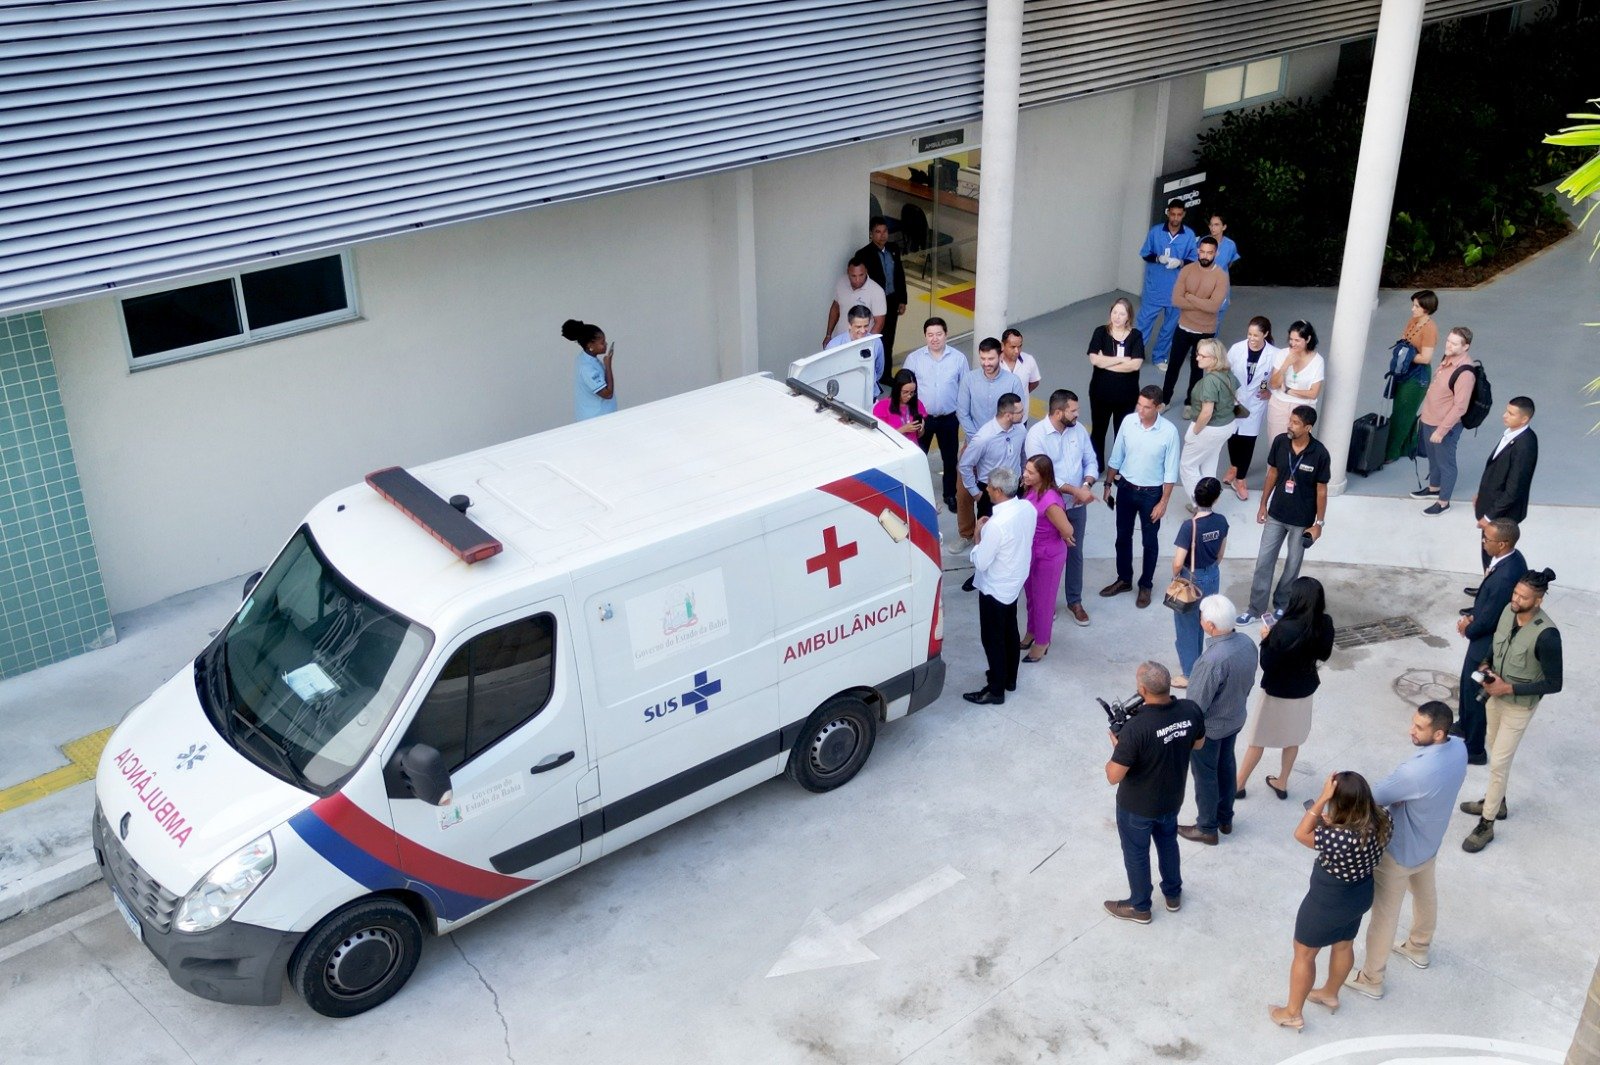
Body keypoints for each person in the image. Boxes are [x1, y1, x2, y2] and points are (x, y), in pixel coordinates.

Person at [1344, 701, 1468, 1001]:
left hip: (1398, 853)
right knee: (1426, 895)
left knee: (1384, 917)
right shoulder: (1460, 749)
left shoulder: (1415, 771)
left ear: (1439, 733)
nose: (1411, 730)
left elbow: (1372, 798)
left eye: (1419, 728)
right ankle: (1419, 947)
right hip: (1430, 842)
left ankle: (1372, 978)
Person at [1269, 771, 1392, 1031]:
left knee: (1304, 954)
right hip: (1360, 895)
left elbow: (1301, 834)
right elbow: (1353, 833)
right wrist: (1334, 823)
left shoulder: (1337, 838)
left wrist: (1322, 799)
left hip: (1328, 901)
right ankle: (1329, 993)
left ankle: (1292, 1012)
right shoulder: (1383, 819)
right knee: (1344, 944)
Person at [1460, 567, 1563, 853]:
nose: (1516, 599)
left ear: (1538, 600)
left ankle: (1487, 823)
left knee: (1499, 764)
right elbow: (1497, 644)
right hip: (1495, 697)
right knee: (1493, 750)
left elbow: (1555, 683)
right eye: (1515, 593)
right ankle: (1499, 802)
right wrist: (1485, 664)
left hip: (1518, 706)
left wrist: (1509, 689)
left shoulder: (1548, 635)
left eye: (1523, 596)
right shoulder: (1508, 610)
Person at [1104, 661, 1205, 923]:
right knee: (1168, 844)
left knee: (1137, 854)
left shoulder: (1136, 729)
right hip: (1172, 799)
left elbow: (1113, 776)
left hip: (1136, 807)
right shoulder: (1190, 709)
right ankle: (1173, 895)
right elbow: (1199, 743)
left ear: (1141, 690)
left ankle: (1140, 907)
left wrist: (1119, 746)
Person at [1236, 576, 1335, 802]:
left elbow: (1267, 664)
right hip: (1305, 690)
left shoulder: (1283, 628)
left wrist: (1266, 639)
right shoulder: (1325, 622)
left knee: (1257, 740)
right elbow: (1324, 654)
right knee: (1293, 739)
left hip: (1277, 692)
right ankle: (1282, 782)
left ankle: (1238, 785)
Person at [1178, 594, 1258, 845]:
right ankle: (1225, 818)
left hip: (1209, 730)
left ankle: (1207, 827)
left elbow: (1195, 706)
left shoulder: (1211, 661)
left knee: (1205, 775)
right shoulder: (1247, 642)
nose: (1199, 619)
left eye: (1201, 616)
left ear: (1210, 626)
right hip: (1234, 719)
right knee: (1226, 765)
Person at [1240, 405, 1328, 626]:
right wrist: (1263, 504)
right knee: (1264, 561)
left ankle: (1282, 604)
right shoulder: (1280, 442)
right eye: (1290, 420)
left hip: (1302, 520)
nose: (1290, 425)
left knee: (1292, 564)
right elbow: (1273, 473)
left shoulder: (1319, 454)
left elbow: (1321, 490)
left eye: (1296, 423)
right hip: (1276, 514)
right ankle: (1255, 607)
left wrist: (1318, 524)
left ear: (1308, 428)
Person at [1100, 386, 1180, 609]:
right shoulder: (1128, 422)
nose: (1141, 410)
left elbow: (1171, 470)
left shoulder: (1169, 431)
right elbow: (1117, 455)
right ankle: (1124, 579)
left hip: (1152, 494)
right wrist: (1108, 484)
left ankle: (1146, 584)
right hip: (1125, 488)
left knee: (1149, 541)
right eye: (1139, 405)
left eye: (1146, 407)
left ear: (1158, 408)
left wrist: (1163, 502)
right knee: (1122, 537)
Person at [1025, 389, 1098, 627]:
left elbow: (1091, 460)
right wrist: (1075, 491)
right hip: (1050, 507)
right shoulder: (1036, 436)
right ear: (1059, 412)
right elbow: (1044, 478)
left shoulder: (1078, 430)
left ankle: (1074, 601)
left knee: (1075, 554)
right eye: (1073, 410)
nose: (1078, 414)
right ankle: (1046, 603)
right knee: (1044, 556)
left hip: (1076, 505)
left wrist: (1085, 485)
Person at [963, 467, 1035, 706]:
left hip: (995, 586)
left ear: (999, 491)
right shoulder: (1027, 508)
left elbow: (981, 561)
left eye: (990, 487)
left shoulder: (996, 525)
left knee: (993, 639)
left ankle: (995, 688)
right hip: (1014, 581)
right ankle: (1009, 678)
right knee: (1010, 630)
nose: (987, 489)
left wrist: (977, 535)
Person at [1455, 519, 1525, 765]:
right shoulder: (1511, 560)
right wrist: (1473, 615)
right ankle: (1463, 726)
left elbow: (1491, 618)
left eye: (1488, 539)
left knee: (1475, 692)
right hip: (1484, 636)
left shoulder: (1506, 576)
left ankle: (1474, 749)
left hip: (1486, 645)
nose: (1483, 542)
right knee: (1465, 684)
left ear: (1503, 544)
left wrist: (1468, 626)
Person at [951, 339, 1025, 552]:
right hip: (975, 441)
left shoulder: (1012, 381)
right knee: (964, 492)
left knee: (1002, 490)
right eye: (982, 358)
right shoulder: (969, 379)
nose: (986, 363)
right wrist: (979, 439)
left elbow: (1020, 412)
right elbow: (962, 412)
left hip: (1004, 442)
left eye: (990, 358)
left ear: (1000, 355)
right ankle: (966, 534)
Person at [956, 392, 1027, 589]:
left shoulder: (1020, 430)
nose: (1024, 414)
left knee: (1013, 530)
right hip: (991, 492)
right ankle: (980, 574)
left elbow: (1022, 455)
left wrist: (1024, 479)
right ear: (1008, 415)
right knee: (987, 533)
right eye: (1019, 411)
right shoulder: (983, 438)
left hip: (1014, 488)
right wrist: (975, 493)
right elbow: (965, 465)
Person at [1410, 326, 1476, 515]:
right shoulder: (1447, 359)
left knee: (1446, 463)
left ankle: (1443, 502)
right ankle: (1434, 488)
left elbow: (1460, 407)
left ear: (1466, 347)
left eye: (1455, 343)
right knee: (1433, 457)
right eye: (1448, 341)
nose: (1449, 345)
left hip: (1444, 425)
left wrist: (1442, 430)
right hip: (1429, 419)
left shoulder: (1465, 373)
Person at [904, 318, 968, 511]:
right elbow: (905, 390)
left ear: (946, 334)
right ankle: (918, 493)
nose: (934, 339)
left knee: (950, 459)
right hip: (922, 419)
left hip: (949, 418)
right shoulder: (914, 359)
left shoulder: (958, 359)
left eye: (938, 334)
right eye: (930, 335)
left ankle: (950, 494)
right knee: (918, 456)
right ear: (925, 336)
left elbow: (965, 388)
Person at [1169, 479, 1228, 685]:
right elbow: (1220, 553)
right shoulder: (1221, 521)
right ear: (1217, 498)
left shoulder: (1189, 526)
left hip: (1191, 578)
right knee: (1207, 622)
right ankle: (1205, 663)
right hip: (1212, 574)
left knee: (1187, 627)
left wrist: (1176, 576)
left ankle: (1189, 673)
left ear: (1194, 497)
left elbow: (1178, 562)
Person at [1019, 454, 1076, 662]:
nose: (1025, 474)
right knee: (1032, 596)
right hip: (1031, 552)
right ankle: (1032, 632)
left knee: (1044, 600)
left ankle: (1042, 642)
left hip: (1047, 556)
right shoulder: (1031, 490)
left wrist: (1063, 535)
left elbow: (1068, 528)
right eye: (1025, 469)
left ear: (1042, 475)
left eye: (1030, 472)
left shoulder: (1050, 500)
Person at [1161, 235, 1230, 406]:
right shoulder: (1187, 270)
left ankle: (1190, 403)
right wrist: (1203, 303)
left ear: (1216, 253)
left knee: (1197, 370)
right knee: (1173, 367)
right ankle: (1165, 400)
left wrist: (1190, 297)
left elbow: (1214, 307)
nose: (1205, 256)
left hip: (1206, 332)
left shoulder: (1221, 277)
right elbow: (1176, 300)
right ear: (1198, 251)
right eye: (1203, 252)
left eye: (1209, 253)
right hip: (1183, 327)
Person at [1472, 397, 1538, 567]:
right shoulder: (1511, 434)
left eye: (1510, 413)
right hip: (1493, 504)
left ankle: (1494, 587)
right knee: (1488, 550)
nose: (1504, 416)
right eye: (1506, 411)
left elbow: (1514, 489)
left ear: (1524, 419)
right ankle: (1488, 583)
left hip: (1502, 514)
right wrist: (1482, 495)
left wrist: (1489, 516)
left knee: (1497, 553)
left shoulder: (1525, 445)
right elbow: (1496, 470)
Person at [1135, 200, 1198, 369]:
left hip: (1177, 290)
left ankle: (1160, 356)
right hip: (1154, 288)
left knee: (1169, 327)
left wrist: (1180, 262)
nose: (1175, 218)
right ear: (1167, 213)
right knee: (1143, 324)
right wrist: (1157, 258)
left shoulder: (1189, 235)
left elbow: (1194, 259)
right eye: (1172, 214)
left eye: (1179, 214)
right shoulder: (1156, 232)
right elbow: (1145, 254)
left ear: (1183, 214)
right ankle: (1135, 355)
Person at [1086, 297, 1146, 469]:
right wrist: (1121, 360)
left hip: (1126, 395)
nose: (1117, 317)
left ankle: (1119, 467)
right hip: (1100, 393)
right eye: (1114, 312)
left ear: (1128, 317)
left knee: (1122, 432)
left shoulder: (1136, 336)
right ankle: (1096, 466)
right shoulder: (1100, 332)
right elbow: (1094, 360)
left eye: (1122, 313)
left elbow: (1135, 364)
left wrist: (1106, 361)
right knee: (1098, 431)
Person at [1224, 316, 1279, 500]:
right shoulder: (1237, 349)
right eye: (1249, 334)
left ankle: (1240, 479)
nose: (1252, 338)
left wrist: (1267, 391)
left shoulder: (1274, 354)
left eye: (1256, 335)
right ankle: (1233, 466)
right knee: (1232, 434)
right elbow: (1226, 370)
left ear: (1266, 334)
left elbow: (1271, 377)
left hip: (1255, 402)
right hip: (1235, 398)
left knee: (1248, 440)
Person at [1178, 339, 1239, 502]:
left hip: (1209, 428)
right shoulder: (1228, 375)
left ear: (1214, 359)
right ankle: (1211, 497)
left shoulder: (1209, 382)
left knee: (1187, 465)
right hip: (1227, 426)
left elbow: (1206, 413)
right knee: (1209, 463)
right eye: (1197, 353)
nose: (1197, 357)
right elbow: (1235, 398)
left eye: (1201, 355)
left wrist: (1194, 432)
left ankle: (1200, 502)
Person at [1383, 291, 1439, 465]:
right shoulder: (1413, 321)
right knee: (1402, 410)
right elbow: (1403, 340)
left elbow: (1426, 358)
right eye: (1413, 305)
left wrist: (1406, 355)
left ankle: (1391, 452)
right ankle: (1408, 446)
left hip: (1417, 377)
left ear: (1426, 308)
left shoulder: (1430, 329)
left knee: (1402, 414)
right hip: (1405, 372)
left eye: (1416, 306)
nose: (1412, 309)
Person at [856, 217, 907, 381]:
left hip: (891, 300)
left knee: (889, 339)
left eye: (885, 231)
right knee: (872, 338)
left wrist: (902, 299)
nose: (882, 235)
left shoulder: (893, 249)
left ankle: (885, 375)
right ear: (871, 234)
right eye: (878, 232)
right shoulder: (863, 254)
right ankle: (869, 374)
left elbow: (899, 274)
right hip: (873, 304)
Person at [1263, 321, 1324, 446]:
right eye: (1291, 339)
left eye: (1297, 340)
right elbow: (1273, 384)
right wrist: (1286, 364)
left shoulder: (1318, 361)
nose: (1292, 343)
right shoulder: (1283, 354)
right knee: (1276, 443)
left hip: (1303, 409)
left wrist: (1289, 391)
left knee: (1298, 445)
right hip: (1279, 405)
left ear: (1307, 339)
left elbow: (1313, 393)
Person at [823, 256, 886, 345]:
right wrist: (828, 335)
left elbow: (879, 322)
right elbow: (835, 308)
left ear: (866, 272)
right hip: (840, 340)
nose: (857, 280)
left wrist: (866, 344)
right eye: (853, 276)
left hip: (860, 344)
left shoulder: (876, 291)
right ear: (848, 272)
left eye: (861, 275)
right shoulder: (841, 282)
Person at [825, 303, 885, 396]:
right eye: (858, 327)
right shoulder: (834, 346)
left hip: (868, 394)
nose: (863, 330)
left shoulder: (876, 342)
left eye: (866, 326)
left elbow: (878, 370)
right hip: (842, 394)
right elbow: (827, 374)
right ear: (849, 325)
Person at [563, 318, 617, 420]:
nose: (606, 344)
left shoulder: (586, 358)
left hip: (599, 416)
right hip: (597, 419)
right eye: (602, 342)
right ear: (590, 345)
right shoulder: (587, 367)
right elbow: (607, 394)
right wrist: (608, 366)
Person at [1208, 213, 1241, 337]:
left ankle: (1210, 352)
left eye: (1216, 225)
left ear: (1224, 227)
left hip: (1221, 289)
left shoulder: (1230, 245)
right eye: (1211, 225)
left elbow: (1229, 264)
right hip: (1204, 288)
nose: (1213, 228)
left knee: (1215, 323)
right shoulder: (1203, 242)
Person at [873, 368, 925, 443]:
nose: (909, 396)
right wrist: (903, 429)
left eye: (912, 392)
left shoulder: (917, 403)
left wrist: (921, 429)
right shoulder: (882, 406)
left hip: (913, 449)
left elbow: (920, 435)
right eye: (905, 392)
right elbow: (881, 438)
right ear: (897, 389)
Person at [999, 328, 1042, 394]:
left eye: (1019, 346)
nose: (1017, 351)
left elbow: (1035, 382)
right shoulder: (995, 363)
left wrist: (1022, 394)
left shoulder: (1029, 360)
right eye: (1013, 347)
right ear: (1002, 345)